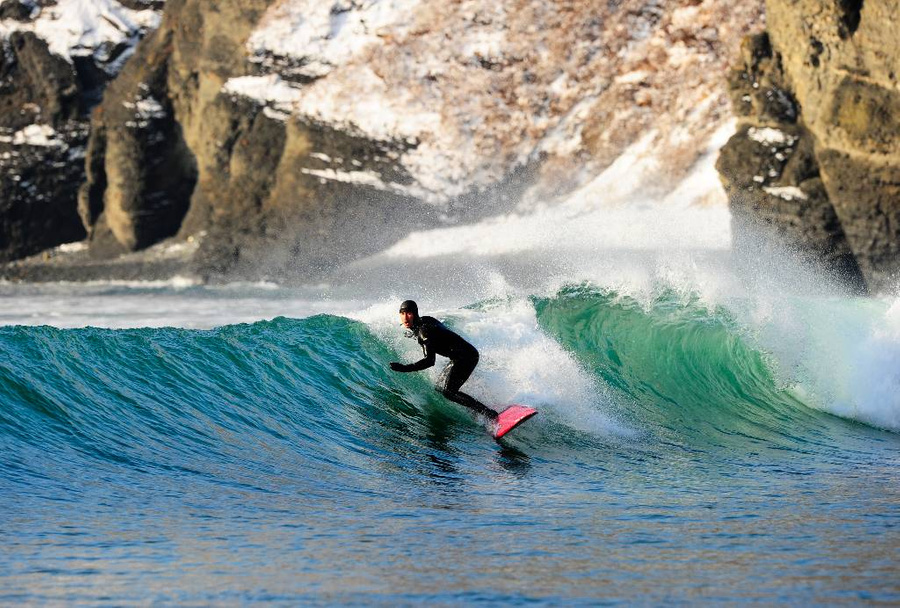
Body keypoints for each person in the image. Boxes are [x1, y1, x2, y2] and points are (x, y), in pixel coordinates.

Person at [389, 300, 498, 420]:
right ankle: (477, 407)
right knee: (439, 387)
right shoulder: (426, 320)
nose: (405, 318)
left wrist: (405, 368)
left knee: (449, 392)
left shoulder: (424, 333)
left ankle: (488, 413)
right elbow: (442, 331)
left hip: (467, 357)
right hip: (459, 357)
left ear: (415, 313)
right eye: (402, 313)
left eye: (409, 313)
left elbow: (430, 361)